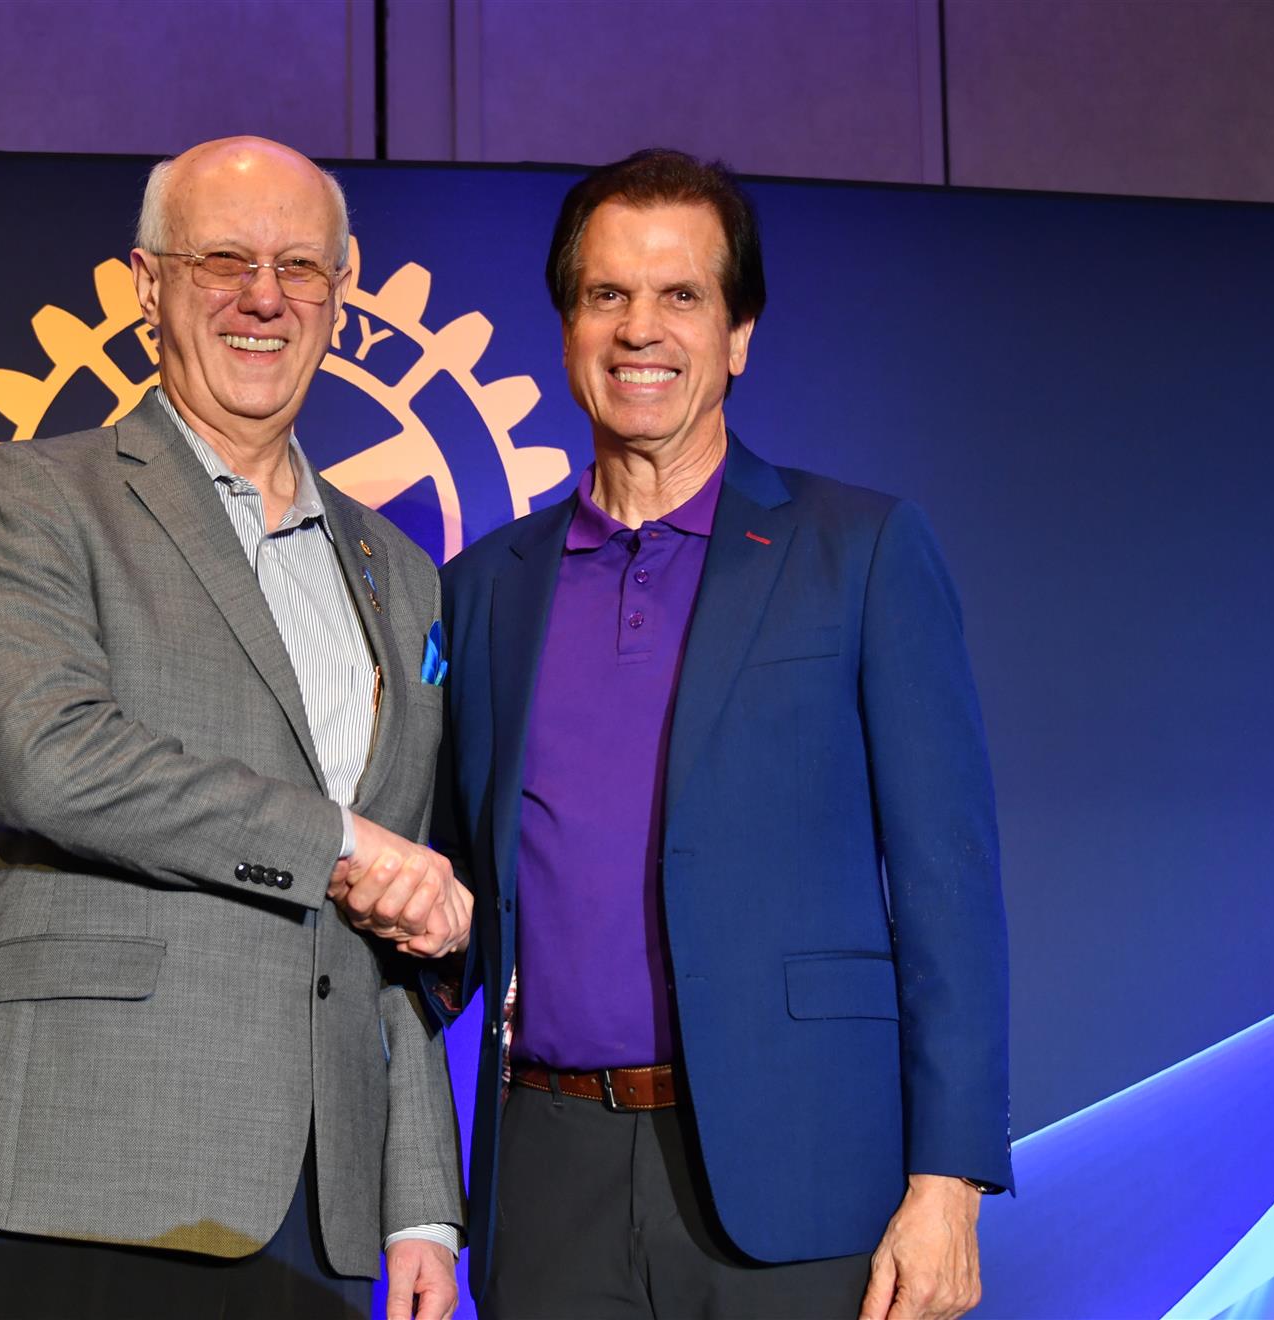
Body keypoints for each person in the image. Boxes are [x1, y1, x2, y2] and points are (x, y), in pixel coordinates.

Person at [433, 148, 1012, 1320]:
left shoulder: (861, 551)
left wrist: (948, 1182)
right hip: (547, 1183)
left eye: (682, 295)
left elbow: (948, 888)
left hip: (801, 1180)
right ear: (568, 327)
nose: (640, 329)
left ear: (739, 333)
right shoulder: (486, 586)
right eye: (607, 294)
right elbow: (447, 903)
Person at [0, 136, 469, 1320]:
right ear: (147, 285)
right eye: (223, 260)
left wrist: (419, 1204)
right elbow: (51, 763)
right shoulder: (35, 495)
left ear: (341, 291)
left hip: (315, 1200)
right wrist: (339, 843)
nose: (264, 297)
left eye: (298, 267)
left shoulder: (402, 573)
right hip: (80, 1158)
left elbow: (393, 920)